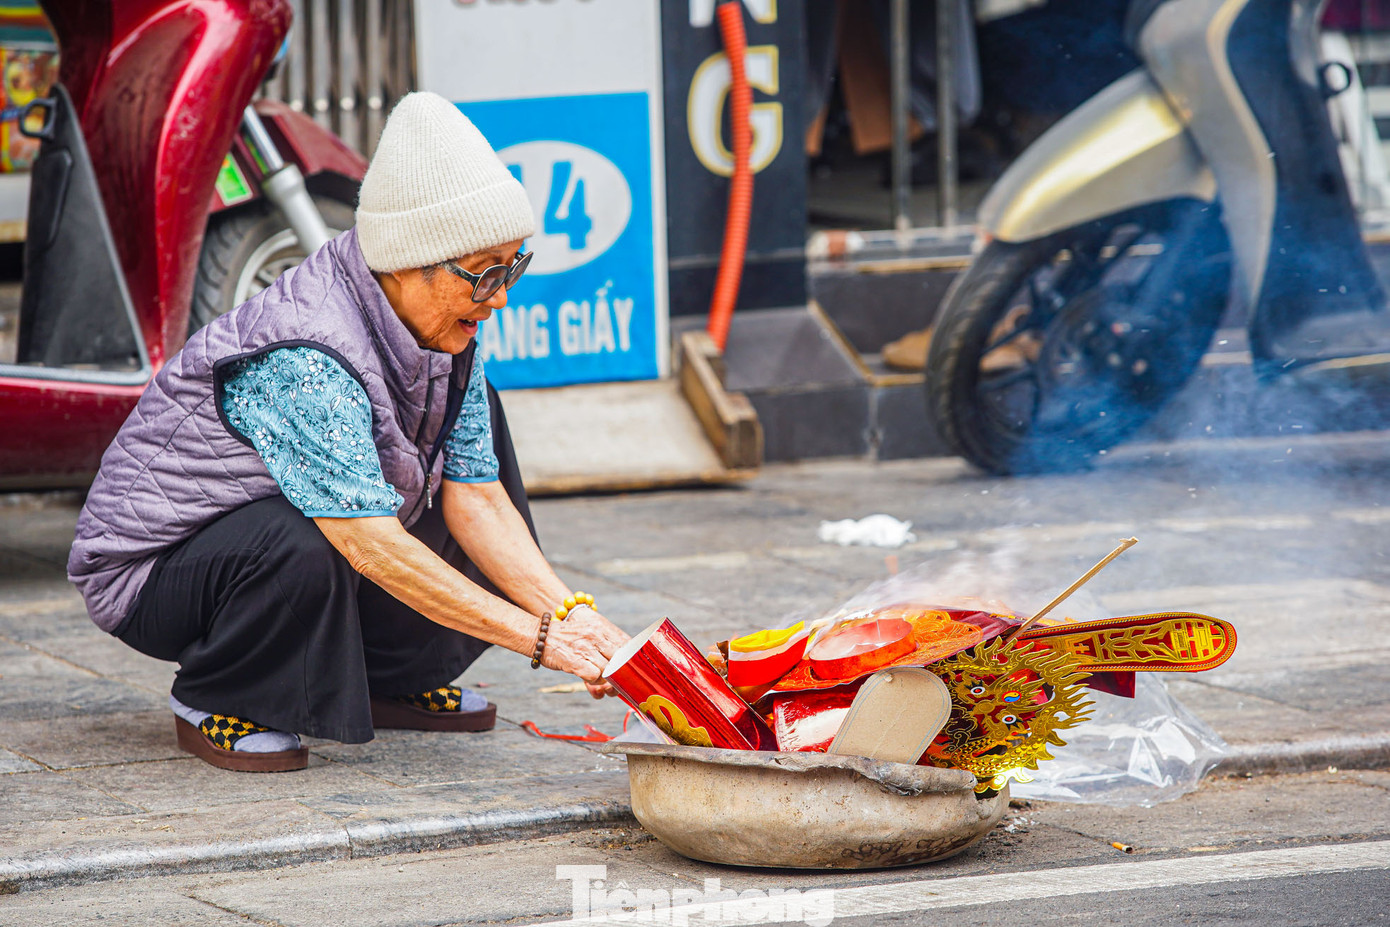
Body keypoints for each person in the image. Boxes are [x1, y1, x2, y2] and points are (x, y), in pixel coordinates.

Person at [67, 92, 630, 773]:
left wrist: (573, 617)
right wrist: (540, 641)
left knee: (470, 441)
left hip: (318, 530)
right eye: (484, 272)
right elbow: (370, 544)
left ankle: (387, 678)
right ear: (405, 261)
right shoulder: (308, 355)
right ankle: (216, 691)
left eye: (513, 266)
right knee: (304, 538)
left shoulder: (452, 333)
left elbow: (477, 498)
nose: (501, 295)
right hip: (153, 574)